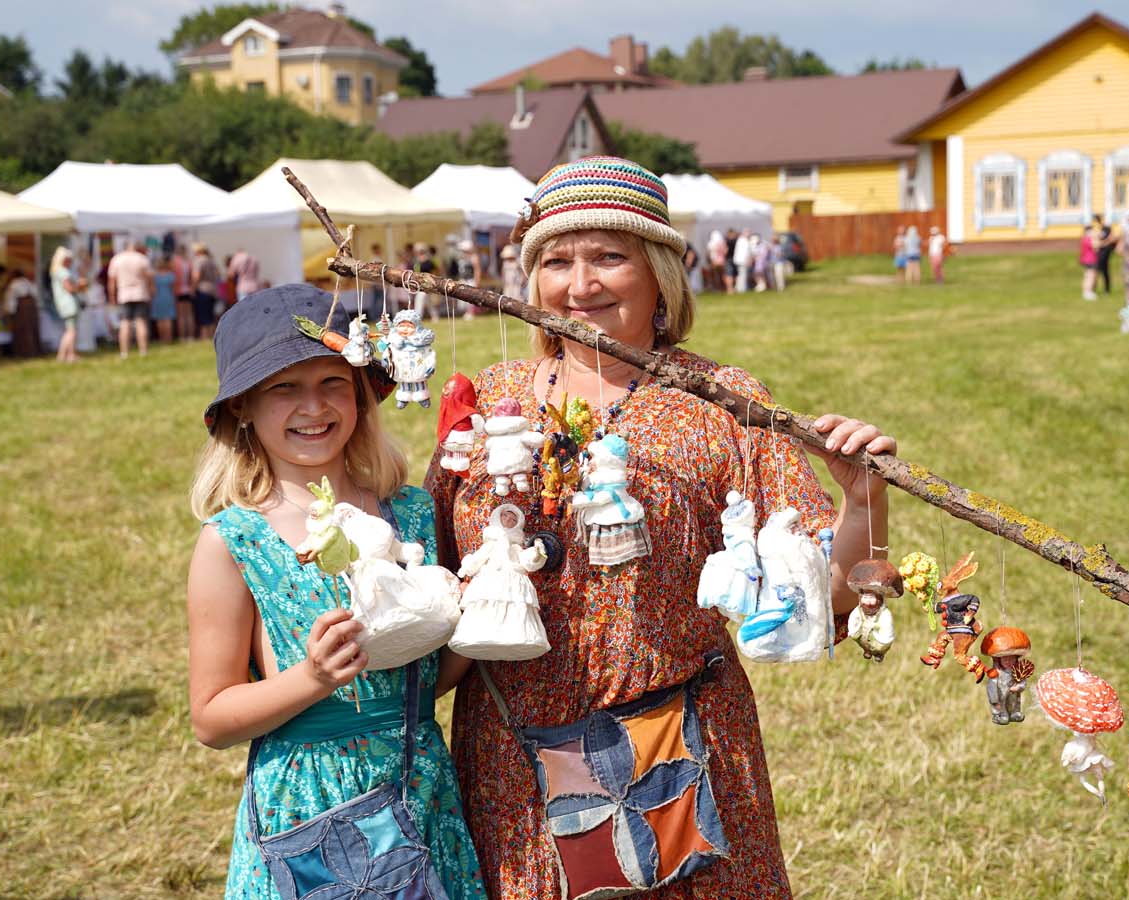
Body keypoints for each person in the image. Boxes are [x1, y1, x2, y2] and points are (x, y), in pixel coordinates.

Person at [427, 156, 894, 898]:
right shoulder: (489, 400)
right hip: (509, 756)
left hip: (681, 751)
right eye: (556, 260)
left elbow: (831, 601)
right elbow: (431, 578)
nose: (580, 286)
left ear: (660, 276)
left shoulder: (722, 404)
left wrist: (863, 503)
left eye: (610, 256)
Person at [187, 284, 487, 900]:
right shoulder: (235, 541)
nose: (313, 406)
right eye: (283, 388)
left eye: (332, 381)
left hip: (420, 787)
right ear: (242, 407)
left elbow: (422, 678)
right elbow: (211, 719)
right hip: (310, 812)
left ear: (359, 393)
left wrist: (479, 612)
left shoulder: (411, 514)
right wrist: (314, 678)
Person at [107, 241, 153, 359]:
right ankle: (143, 351)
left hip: (124, 294)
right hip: (140, 293)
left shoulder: (117, 259)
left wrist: (112, 297)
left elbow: (112, 281)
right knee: (141, 322)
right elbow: (149, 278)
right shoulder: (142, 259)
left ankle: (124, 352)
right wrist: (151, 292)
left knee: (125, 323)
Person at [49, 246, 84, 363]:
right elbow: (69, 288)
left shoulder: (56, 271)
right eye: (69, 260)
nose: (71, 262)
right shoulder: (63, 271)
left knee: (69, 330)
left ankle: (62, 355)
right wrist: (80, 285)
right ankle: (70, 355)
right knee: (72, 331)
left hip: (63, 303)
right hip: (69, 303)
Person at [4, 267, 41, 358]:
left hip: (21, 309)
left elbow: (10, 299)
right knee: (32, 329)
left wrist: (10, 312)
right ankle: (34, 351)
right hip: (32, 308)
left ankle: (24, 352)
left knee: (22, 330)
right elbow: (36, 294)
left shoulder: (13, 284)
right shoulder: (29, 282)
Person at [189, 242, 221, 341]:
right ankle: (212, 336)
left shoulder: (199, 261)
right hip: (213, 289)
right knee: (210, 315)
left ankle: (204, 337)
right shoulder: (211, 260)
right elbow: (218, 275)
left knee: (203, 315)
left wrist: (192, 288)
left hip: (203, 289)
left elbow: (196, 276)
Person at [150, 252, 179, 343]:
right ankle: (168, 339)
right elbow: (174, 289)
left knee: (159, 320)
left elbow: (152, 289)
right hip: (168, 297)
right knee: (168, 319)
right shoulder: (171, 275)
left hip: (157, 298)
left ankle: (162, 339)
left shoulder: (154, 275)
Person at [170, 242, 195, 342]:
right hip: (187, 289)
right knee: (189, 315)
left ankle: (182, 337)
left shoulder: (175, 261)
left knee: (181, 316)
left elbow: (173, 277)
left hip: (178, 290)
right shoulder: (188, 261)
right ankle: (191, 336)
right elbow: (192, 276)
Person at [1092, 214, 1118, 295]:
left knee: (1104, 271)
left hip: (1105, 252)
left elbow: (1112, 238)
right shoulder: (1095, 229)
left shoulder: (1106, 228)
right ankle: (1092, 289)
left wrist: (1103, 243)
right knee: (1095, 270)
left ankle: (1106, 289)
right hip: (1097, 252)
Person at [1079, 221, 1101, 300]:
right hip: (1090, 260)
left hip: (1086, 259)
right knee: (1091, 276)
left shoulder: (1085, 238)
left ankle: (1087, 291)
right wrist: (1096, 237)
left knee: (1088, 275)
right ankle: (1088, 292)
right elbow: (1096, 247)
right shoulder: (1088, 239)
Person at [732, 228, 755, 292]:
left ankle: (739, 288)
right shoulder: (744, 241)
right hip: (742, 261)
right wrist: (748, 260)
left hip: (739, 260)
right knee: (742, 275)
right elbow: (745, 252)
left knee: (740, 274)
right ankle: (742, 289)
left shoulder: (741, 240)